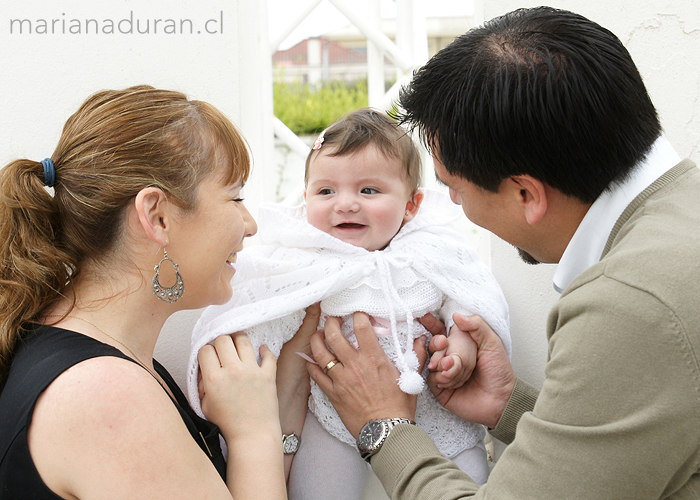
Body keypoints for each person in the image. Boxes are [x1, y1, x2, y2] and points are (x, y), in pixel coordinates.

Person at [305, 6, 700, 499]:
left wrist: (383, 426)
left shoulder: (631, 305)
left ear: (526, 195)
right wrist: (510, 405)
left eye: (456, 189)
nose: (451, 204)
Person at [0, 85, 319, 499]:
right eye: (235, 197)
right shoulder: (105, 395)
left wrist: (287, 390)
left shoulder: (99, 358)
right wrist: (253, 433)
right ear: (157, 217)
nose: (250, 223)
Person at [187, 108, 511, 498]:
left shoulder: (431, 250)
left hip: (433, 399)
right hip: (330, 404)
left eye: (368, 190)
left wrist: (459, 351)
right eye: (325, 191)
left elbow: (469, 303)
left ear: (411, 205)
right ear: (305, 198)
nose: (345, 204)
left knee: (468, 473)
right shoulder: (303, 256)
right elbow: (262, 302)